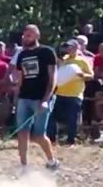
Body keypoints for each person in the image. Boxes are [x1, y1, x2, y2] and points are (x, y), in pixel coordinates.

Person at [13, 24, 60, 172]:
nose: (25, 38)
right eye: (24, 35)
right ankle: (24, 166)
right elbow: (20, 79)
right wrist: (17, 97)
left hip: (41, 98)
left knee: (39, 135)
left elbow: (53, 78)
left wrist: (46, 99)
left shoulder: (47, 52)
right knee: (22, 132)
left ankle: (52, 161)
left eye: (29, 35)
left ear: (37, 36)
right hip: (24, 98)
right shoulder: (21, 55)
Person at [49, 40, 92, 146]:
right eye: (67, 47)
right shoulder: (63, 60)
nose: (68, 49)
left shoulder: (83, 61)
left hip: (75, 94)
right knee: (52, 116)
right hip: (59, 93)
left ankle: (70, 141)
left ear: (76, 47)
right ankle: (52, 139)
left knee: (72, 119)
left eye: (70, 47)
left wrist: (81, 75)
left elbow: (91, 75)